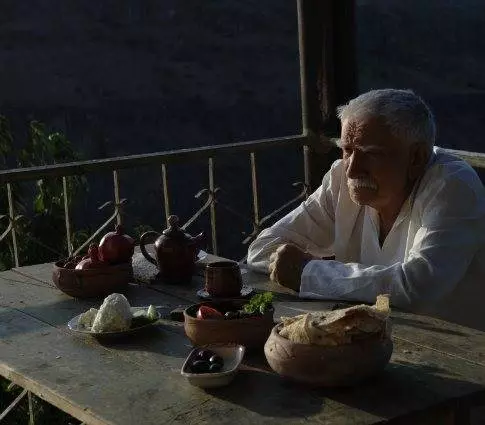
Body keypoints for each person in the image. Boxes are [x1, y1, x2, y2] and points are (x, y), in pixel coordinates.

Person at [247, 89, 485, 330]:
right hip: (370, 336)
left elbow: (419, 287)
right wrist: (305, 271)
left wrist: (309, 273)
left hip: (456, 346)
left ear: (416, 158)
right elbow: (262, 249)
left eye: (371, 154)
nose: (352, 169)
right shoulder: (340, 178)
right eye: (347, 150)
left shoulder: (453, 185)